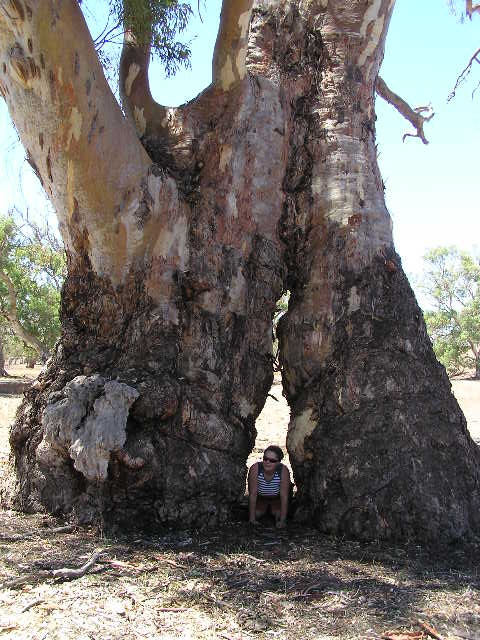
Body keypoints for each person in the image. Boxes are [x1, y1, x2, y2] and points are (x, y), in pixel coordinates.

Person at [248, 445, 291, 528]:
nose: (267, 462)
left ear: (278, 462)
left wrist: (283, 520)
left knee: (278, 515)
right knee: (257, 514)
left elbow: (284, 496)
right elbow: (253, 494)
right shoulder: (255, 468)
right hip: (261, 499)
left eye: (272, 460)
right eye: (265, 459)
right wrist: (252, 519)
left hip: (276, 499)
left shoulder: (283, 471)